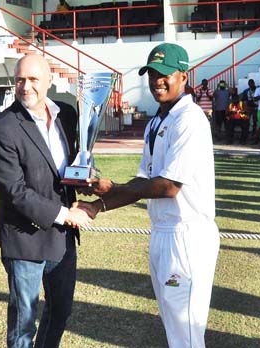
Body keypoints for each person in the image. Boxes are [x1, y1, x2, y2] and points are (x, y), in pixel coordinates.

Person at [79, 43, 220, 348]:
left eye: (165, 73)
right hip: (161, 233)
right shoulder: (157, 121)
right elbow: (144, 181)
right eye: (153, 73)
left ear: (184, 76)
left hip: (187, 236)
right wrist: (98, 205)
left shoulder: (190, 119)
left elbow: (168, 186)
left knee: (187, 334)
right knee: (173, 327)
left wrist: (114, 188)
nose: (158, 79)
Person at [0, 54, 90, 348]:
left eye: (33, 79)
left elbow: (70, 165)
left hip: (61, 237)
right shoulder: (2, 128)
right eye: (20, 80)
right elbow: (13, 191)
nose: (25, 86)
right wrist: (64, 214)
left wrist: (87, 178)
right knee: (23, 323)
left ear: (49, 81)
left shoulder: (67, 115)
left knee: (60, 311)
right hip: (24, 239)